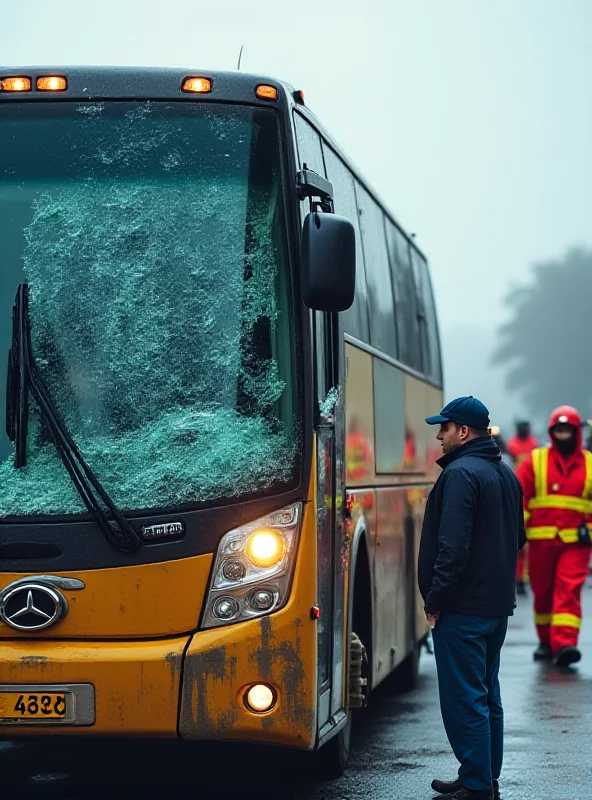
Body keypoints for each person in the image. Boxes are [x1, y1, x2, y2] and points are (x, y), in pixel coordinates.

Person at [418, 396, 525, 800]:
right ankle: (483, 776)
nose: (439, 436)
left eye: (443, 428)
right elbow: (518, 539)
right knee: (487, 696)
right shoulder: (506, 473)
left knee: (465, 699)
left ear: (463, 431)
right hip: (495, 608)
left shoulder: (461, 474)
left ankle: (477, 784)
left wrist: (436, 599)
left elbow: (453, 547)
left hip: (463, 609)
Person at [515, 405, 592, 666]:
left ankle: (565, 643)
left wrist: (589, 528)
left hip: (576, 543)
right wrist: (517, 530)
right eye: (558, 430)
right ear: (551, 431)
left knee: (568, 590)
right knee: (543, 591)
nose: (563, 435)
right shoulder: (535, 461)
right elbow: (519, 496)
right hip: (540, 541)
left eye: (567, 430)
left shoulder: (590, 464)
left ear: (576, 432)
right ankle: (545, 641)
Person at [507, 421, 539, 596]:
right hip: (517, 491)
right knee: (518, 547)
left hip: (528, 494)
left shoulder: (533, 444)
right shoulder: (512, 444)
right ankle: (517, 578)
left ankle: (523, 578)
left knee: (525, 547)